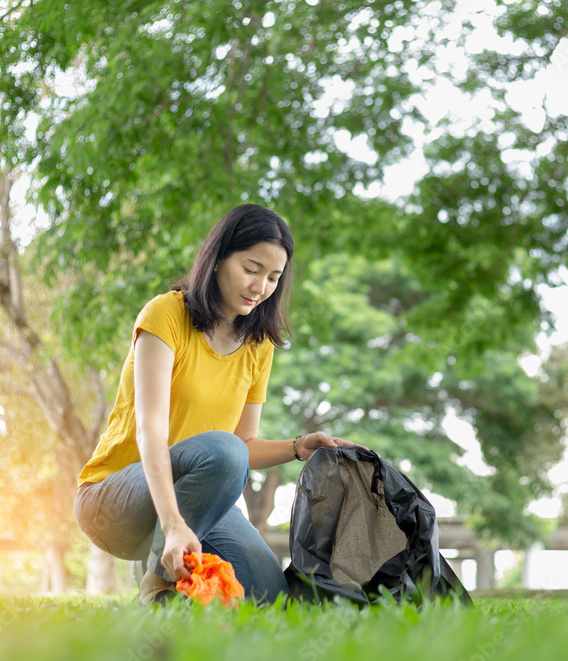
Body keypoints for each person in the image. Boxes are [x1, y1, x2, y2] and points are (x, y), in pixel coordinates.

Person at [74, 203, 357, 605]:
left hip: (197, 501)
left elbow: (244, 446)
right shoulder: (165, 315)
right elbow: (150, 432)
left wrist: (299, 448)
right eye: (251, 268)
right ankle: (157, 586)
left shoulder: (258, 345)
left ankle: (178, 569)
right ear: (219, 257)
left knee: (267, 594)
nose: (260, 287)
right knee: (223, 452)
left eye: (273, 277)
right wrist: (172, 524)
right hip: (116, 499)